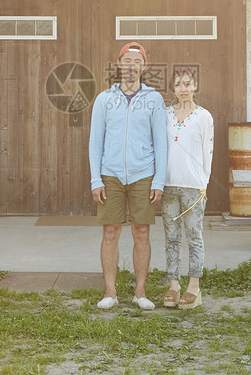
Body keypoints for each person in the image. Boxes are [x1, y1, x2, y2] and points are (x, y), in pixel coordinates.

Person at [89, 42, 167, 310]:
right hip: (110, 175)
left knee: (141, 232)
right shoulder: (104, 100)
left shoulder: (154, 99)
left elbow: (162, 143)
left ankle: (140, 292)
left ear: (143, 67)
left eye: (137, 61)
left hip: (143, 174)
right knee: (110, 232)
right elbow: (94, 143)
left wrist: (158, 180)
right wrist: (95, 180)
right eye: (127, 60)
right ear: (119, 65)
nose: (132, 66)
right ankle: (110, 292)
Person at [162, 68, 214, 310]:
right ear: (173, 89)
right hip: (169, 185)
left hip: (194, 187)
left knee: (194, 237)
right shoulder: (165, 115)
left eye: (187, 83)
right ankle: (173, 284)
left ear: (195, 87)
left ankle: (194, 286)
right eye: (178, 84)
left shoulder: (204, 117)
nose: (183, 88)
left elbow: (208, 153)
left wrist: (203, 183)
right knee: (171, 237)